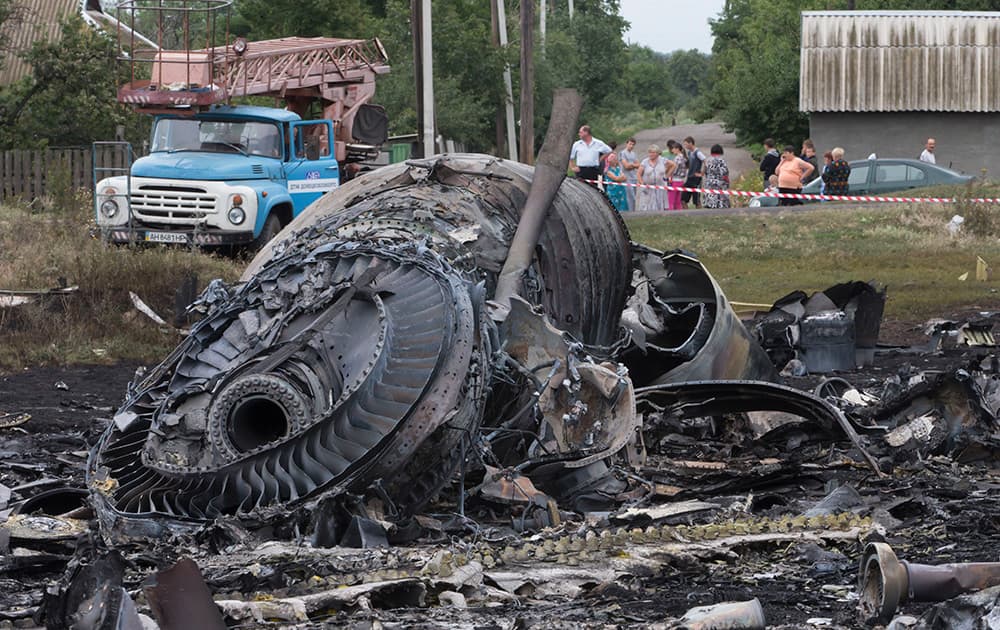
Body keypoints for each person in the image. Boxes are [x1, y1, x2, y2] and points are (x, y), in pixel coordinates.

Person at [636, 144, 669, 211]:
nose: (651, 154)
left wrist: (667, 175)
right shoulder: (644, 162)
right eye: (650, 152)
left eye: (653, 152)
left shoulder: (662, 160)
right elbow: (638, 174)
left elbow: (673, 165)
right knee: (647, 207)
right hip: (648, 188)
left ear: (657, 153)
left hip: (659, 187)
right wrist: (642, 183)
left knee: (659, 206)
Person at [701, 144, 731, 209]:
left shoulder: (708, 160)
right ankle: (720, 206)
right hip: (719, 182)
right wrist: (727, 181)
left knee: (710, 195)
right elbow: (725, 172)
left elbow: (705, 172)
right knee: (720, 196)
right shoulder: (721, 160)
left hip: (709, 182)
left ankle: (710, 204)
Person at [681, 136, 706, 208]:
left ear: (691, 143)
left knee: (696, 200)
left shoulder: (698, 153)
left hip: (696, 179)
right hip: (689, 177)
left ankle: (698, 215)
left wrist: (702, 173)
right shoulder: (689, 152)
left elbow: (705, 161)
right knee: (683, 199)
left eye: (686, 144)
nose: (685, 146)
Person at [619, 137, 640, 211]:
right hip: (626, 178)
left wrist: (632, 165)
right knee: (630, 197)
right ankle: (629, 212)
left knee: (634, 198)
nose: (631, 146)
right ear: (627, 144)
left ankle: (633, 212)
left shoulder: (634, 154)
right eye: (630, 144)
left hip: (633, 177)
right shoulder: (623, 153)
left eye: (633, 144)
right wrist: (633, 165)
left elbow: (638, 165)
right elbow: (626, 166)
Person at [666, 140, 686, 210]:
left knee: (671, 200)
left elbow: (675, 170)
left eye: (673, 148)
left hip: (675, 180)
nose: (672, 150)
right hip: (681, 181)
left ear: (677, 149)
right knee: (678, 200)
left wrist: (668, 174)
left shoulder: (677, 158)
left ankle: (671, 213)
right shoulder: (683, 157)